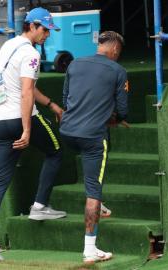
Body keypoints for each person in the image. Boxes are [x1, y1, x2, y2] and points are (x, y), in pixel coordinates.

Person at [0, 7, 66, 261]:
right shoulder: (31, 54)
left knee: (0, 178)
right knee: (56, 150)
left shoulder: (8, 46)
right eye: (45, 29)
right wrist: (27, 128)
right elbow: (26, 92)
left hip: (0, 120)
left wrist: (52, 104)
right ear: (33, 26)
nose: (48, 34)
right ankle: (39, 206)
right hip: (19, 118)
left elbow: (26, 87)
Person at [59, 31, 129, 264]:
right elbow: (123, 112)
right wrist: (113, 119)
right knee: (93, 189)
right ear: (116, 50)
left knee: (92, 178)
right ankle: (90, 249)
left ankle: (99, 204)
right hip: (92, 137)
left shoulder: (75, 63)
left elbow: (66, 98)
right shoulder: (118, 71)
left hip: (67, 133)